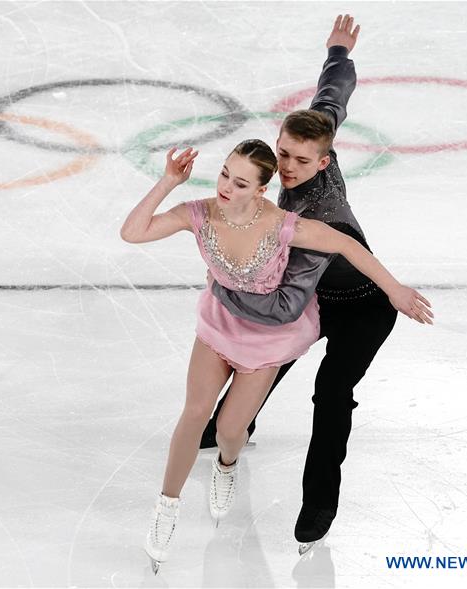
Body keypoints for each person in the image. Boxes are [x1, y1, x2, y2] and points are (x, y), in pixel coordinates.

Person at [120, 136, 431, 573]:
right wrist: (168, 181)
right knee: (195, 412)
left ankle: (227, 464)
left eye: (241, 183)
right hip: (220, 326)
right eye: (225, 174)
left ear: (261, 190)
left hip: (267, 338)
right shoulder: (199, 213)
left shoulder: (283, 225)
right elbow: (132, 233)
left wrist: (394, 289)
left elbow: (347, 245)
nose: (226, 187)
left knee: (230, 430)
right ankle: (166, 506)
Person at [198, 15, 423, 555]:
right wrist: (338, 53)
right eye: (283, 155)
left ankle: (319, 503)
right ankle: (234, 421)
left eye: (302, 161)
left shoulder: (320, 222)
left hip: (363, 307)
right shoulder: (315, 137)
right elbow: (332, 97)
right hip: (319, 297)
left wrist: (225, 283)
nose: (288, 168)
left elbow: (284, 306)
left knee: (330, 392)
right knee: (271, 355)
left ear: (324, 160)